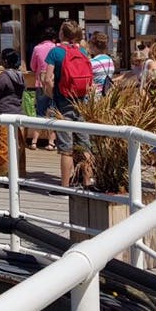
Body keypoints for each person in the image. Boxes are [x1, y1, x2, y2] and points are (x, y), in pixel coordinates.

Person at [40, 21, 95, 188]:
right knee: (84, 144)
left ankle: (64, 186)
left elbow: (47, 79)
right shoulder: (83, 51)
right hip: (81, 102)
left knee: (66, 147)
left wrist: (51, 95)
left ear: (62, 34)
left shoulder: (55, 52)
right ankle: (87, 182)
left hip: (62, 103)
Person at [0, 48, 26, 178]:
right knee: (15, 145)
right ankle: (16, 174)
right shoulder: (21, 76)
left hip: (2, 114)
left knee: (1, 147)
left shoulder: (3, 77)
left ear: (5, 61)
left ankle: (2, 175)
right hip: (16, 114)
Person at [27, 26, 57, 149]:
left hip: (40, 83)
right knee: (53, 113)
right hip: (54, 83)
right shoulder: (56, 48)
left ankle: (34, 142)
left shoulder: (37, 48)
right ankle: (51, 143)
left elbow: (33, 67)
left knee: (39, 113)